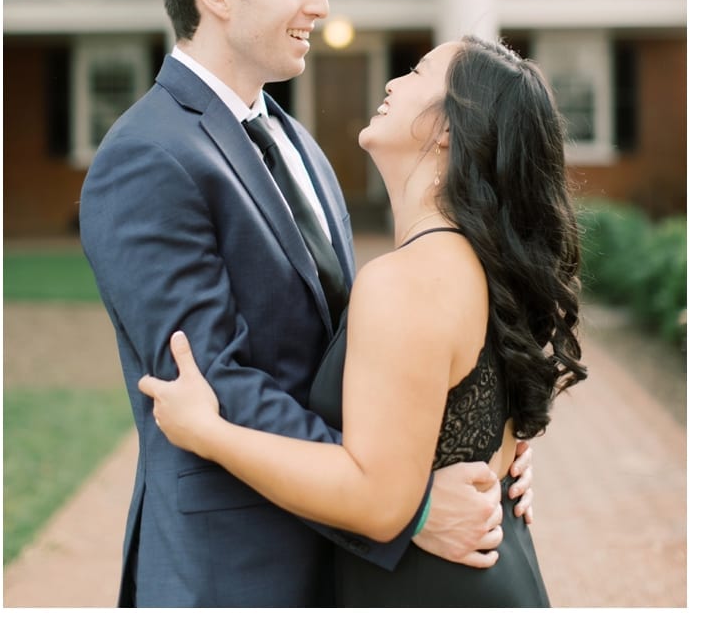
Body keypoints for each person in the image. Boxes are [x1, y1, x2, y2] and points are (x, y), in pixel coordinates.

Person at [77, 0, 534, 607]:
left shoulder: (301, 145)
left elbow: (367, 353)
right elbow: (208, 381)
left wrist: (476, 452)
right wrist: (404, 502)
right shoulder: (147, 156)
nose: (319, 3)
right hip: (232, 569)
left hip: (339, 561)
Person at [139, 36, 587, 606]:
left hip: (434, 591)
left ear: (448, 128)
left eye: (419, 73)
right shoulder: (477, 262)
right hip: (491, 569)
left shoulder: (408, 279)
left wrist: (208, 433)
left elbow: (378, 505)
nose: (393, 83)